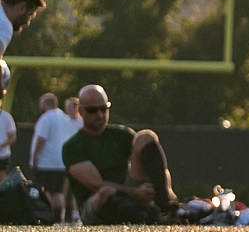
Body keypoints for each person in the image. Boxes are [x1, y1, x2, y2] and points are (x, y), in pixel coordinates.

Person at [60, 85, 176, 223]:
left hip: (130, 192)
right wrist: (136, 192)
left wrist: (167, 190)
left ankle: (166, 205)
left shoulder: (121, 134)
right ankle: (148, 216)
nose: (99, 115)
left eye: (103, 108)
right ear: (80, 111)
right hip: (96, 202)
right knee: (106, 192)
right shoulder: (72, 146)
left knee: (145, 137)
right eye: (92, 110)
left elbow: (157, 167)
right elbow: (96, 185)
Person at [28, 94, 74, 222]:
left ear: (45, 104)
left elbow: (41, 139)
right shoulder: (65, 118)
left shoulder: (46, 118)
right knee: (58, 192)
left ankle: (47, 216)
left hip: (46, 162)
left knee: (45, 191)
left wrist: (35, 156)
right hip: (61, 161)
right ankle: (59, 217)